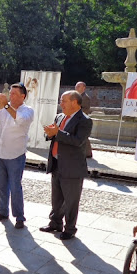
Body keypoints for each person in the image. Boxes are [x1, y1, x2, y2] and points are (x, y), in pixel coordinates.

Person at [40, 90, 93, 240]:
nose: (61, 104)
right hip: (57, 163)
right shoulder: (59, 116)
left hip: (72, 167)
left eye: (64, 101)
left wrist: (57, 133)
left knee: (71, 200)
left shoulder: (84, 120)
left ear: (75, 102)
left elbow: (78, 141)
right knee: (56, 198)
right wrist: (49, 133)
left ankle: (70, 228)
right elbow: (52, 134)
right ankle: (55, 223)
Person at [0, 83, 34, 229]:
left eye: (14, 94)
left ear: (23, 96)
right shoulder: (4, 108)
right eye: (10, 93)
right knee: (1, 186)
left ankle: (19, 217)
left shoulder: (28, 111)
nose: (11, 96)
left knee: (15, 187)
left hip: (16, 155)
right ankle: (3, 211)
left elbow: (19, 119)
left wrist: (6, 105)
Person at [75, 81, 93, 158]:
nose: (76, 88)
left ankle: (88, 153)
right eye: (76, 86)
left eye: (79, 86)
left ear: (84, 88)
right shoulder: (76, 96)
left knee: (84, 136)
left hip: (82, 119)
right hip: (76, 118)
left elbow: (86, 109)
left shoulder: (85, 98)